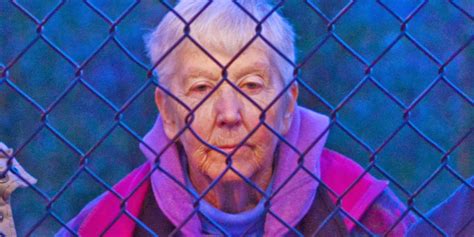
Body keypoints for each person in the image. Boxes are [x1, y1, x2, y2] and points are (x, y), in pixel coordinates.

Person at [57, 1, 416, 236]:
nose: (229, 114)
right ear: (167, 111)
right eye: (201, 88)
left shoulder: (357, 205)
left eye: (251, 84)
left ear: (288, 104)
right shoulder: (114, 220)